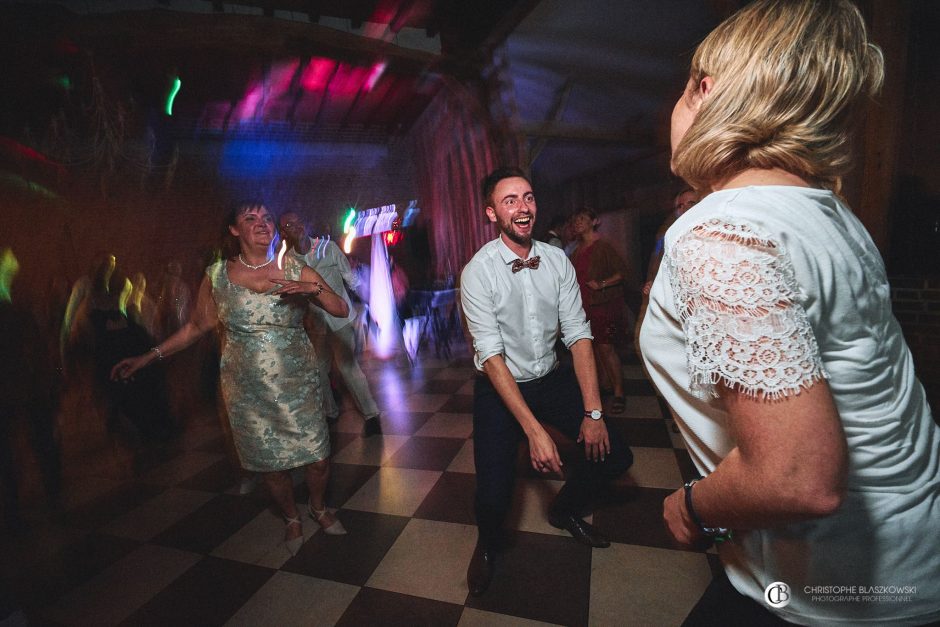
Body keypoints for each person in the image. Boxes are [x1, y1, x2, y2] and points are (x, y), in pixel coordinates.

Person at [638, 1, 939, 625]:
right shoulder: (824, 212)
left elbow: (797, 477)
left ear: (707, 89)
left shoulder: (721, 231)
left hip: (832, 590)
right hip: (900, 562)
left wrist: (691, 507)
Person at [113, 203, 350, 555]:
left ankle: (317, 508)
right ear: (234, 231)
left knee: (318, 458)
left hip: (297, 382)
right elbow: (196, 326)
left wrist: (309, 290)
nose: (262, 223)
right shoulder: (218, 275)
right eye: (250, 218)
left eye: (267, 218)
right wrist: (148, 357)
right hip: (246, 388)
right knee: (272, 463)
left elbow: (340, 308)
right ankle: (290, 517)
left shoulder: (295, 267)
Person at [460, 166, 632, 596]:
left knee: (615, 455)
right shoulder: (478, 272)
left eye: (528, 197)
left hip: (551, 379)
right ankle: (487, 544)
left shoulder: (557, 261)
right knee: (494, 492)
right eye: (510, 200)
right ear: (491, 213)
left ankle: (564, 510)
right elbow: (491, 357)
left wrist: (594, 412)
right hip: (500, 387)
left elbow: (578, 336)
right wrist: (534, 432)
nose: (523, 207)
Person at [278, 212, 383, 437]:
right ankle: (330, 411)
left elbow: (351, 278)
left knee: (347, 367)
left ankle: (371, 415)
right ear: (284, 232)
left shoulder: (329, 248)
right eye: (289, 225)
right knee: (318, 369)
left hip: (340, 318)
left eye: (298, 221)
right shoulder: (289, 261)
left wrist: (368, 303)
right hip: (316, 322)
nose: (296, 227)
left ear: (305, 225)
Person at [569, 208, 630, 414]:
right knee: (592, 349)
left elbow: (623, 272)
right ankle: (604, 386)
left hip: (604, 305)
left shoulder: (604, 246)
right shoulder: (577, 249)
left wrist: (602, 283)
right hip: (584, 307)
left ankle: (619, 392)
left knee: (606, 348)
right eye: (576, 220)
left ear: (594, 222)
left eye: (582, 219)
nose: (577, 222)